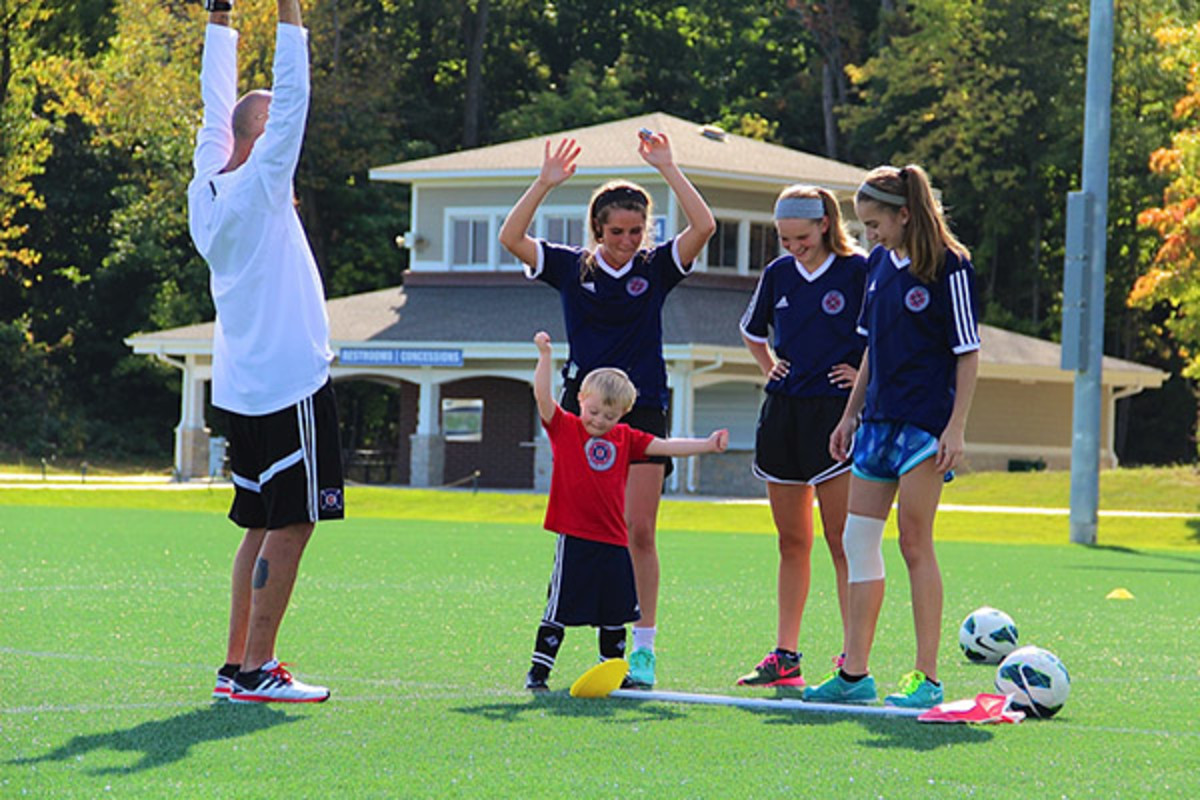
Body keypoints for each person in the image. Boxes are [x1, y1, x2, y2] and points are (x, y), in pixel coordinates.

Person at [500, 132, 716, 688]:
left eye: (636, 231)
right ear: (597, 229)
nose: (626, 240)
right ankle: (555, 640)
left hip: (641, 414)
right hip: (585, 417)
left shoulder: (657, 267)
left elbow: (705, 227)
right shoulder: (573, 267)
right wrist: (546, 182)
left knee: (637, 531)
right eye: (616, 231)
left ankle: (640, 649)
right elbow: (511, 236)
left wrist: (668, 168)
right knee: (581, 530)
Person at [189, 0, 343, 703]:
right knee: (295, 519)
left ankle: (236, 666)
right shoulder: (260, 182)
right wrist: (289, 11)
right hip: (290, 379)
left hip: (242, 385)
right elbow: (292, 99)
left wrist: (220, 15)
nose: (283, 120)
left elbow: (215, 102)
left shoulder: (207, 188)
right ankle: (256, 669)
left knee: (258, 522)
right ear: (261, 135)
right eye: (270, 117)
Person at [801, 164, 980, 709]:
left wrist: (956, 428)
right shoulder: (877, 264)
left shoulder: (951, 266)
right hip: (876, 422)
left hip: (925, 426)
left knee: (913, 542)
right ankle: (855, 674)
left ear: (904, 214)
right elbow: (871, 349)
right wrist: (849, 415)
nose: (868, 235)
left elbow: (967, 352)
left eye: (875, 223)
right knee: (857, 543)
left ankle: (927, 677)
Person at [525, 331, 728, 691]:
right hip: (575, 537)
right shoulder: (566, 428)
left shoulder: (627, 438)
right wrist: (545, 355)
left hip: (614, 540)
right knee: (559, 609)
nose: (599, 420)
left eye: (610, 414)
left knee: (615, 612)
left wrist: (707, 445)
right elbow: (542, 397)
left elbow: (666, 445)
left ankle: (615, 673)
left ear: (624, 413)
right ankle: (538, 674)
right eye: (594, 410)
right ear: (581, 400)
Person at [735, 185, 867, 690]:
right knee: (792, 541)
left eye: (802, 237)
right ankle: (785, 657)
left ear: (826, 224)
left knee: (842, 542)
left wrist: (862, 378)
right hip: (784, 415)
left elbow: (884, 334)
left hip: (835, 417)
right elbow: (752, 329)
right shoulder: (778, 274)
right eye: (785, 239)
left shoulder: (858, 271)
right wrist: (771, 366)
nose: (793, 247)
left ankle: (851, 658)